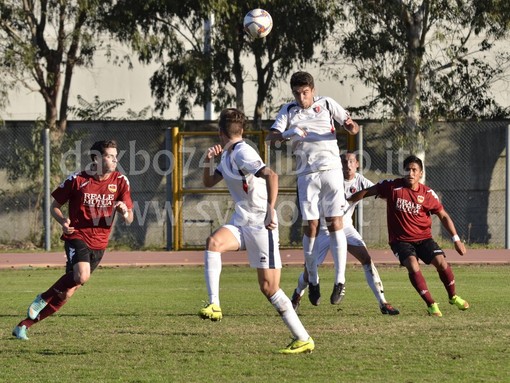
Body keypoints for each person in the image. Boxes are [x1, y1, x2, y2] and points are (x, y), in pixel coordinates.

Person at [198, 108, 314, 354]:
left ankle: (303, 338)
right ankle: (214, 304)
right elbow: (208, 182)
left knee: (269, 288)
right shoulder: (228, 155)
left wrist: (271, 210)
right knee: (213, 244)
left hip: (262, 225)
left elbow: (271, 175)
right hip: (242, 221)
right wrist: (208, 160)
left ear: (220, 133)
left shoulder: (242, 152)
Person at [12, 140, 134, 340]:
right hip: (77, 236)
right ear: (96, 158)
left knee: (66, 294)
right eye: (110, 155)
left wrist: (123, 211)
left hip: (100, 245)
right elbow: (54, 207)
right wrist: (63, 221)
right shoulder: (77, 180)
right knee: (82, 276)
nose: (115, 159)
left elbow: (130, 218)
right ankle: (42, 298)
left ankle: (23, 326)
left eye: (115, 155)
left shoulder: (121, 181)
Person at [266, 71, 359, 307]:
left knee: (335, 221)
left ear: (313, 90)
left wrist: (349, 126)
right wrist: (288, 133)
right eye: (297, 93)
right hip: (306, 174)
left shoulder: (326, 103)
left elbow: (352, 127)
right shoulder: (288, 110)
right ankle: (314, 280)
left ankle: (340, 281)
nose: (301, 97)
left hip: (331, 171)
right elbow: (271, 139)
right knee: (311, 228)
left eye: (305, 93)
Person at [348, 155, 469, 317]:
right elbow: (366, 192)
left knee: (441, 262)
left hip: (424, 239)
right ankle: (431, 304)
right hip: (401, 241)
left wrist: (456, 239)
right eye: (407, 170)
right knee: (413, 265)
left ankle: (453, 296)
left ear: (420, 174)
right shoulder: (392, 187)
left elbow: (443, 215)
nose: (410, 173)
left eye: (414, 170)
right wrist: (346, 203)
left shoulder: (427, 194)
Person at [290, 152, 400, 315]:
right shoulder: (330, 178)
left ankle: (383, 302)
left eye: (351, 161)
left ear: (357, 164)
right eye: (343, 161)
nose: (347, 165)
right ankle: (297, 295)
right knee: (309, 270)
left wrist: (395, 199)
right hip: (323, 229)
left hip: (346, 227)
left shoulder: (360, 180)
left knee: (366, 259)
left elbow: (379, 191)